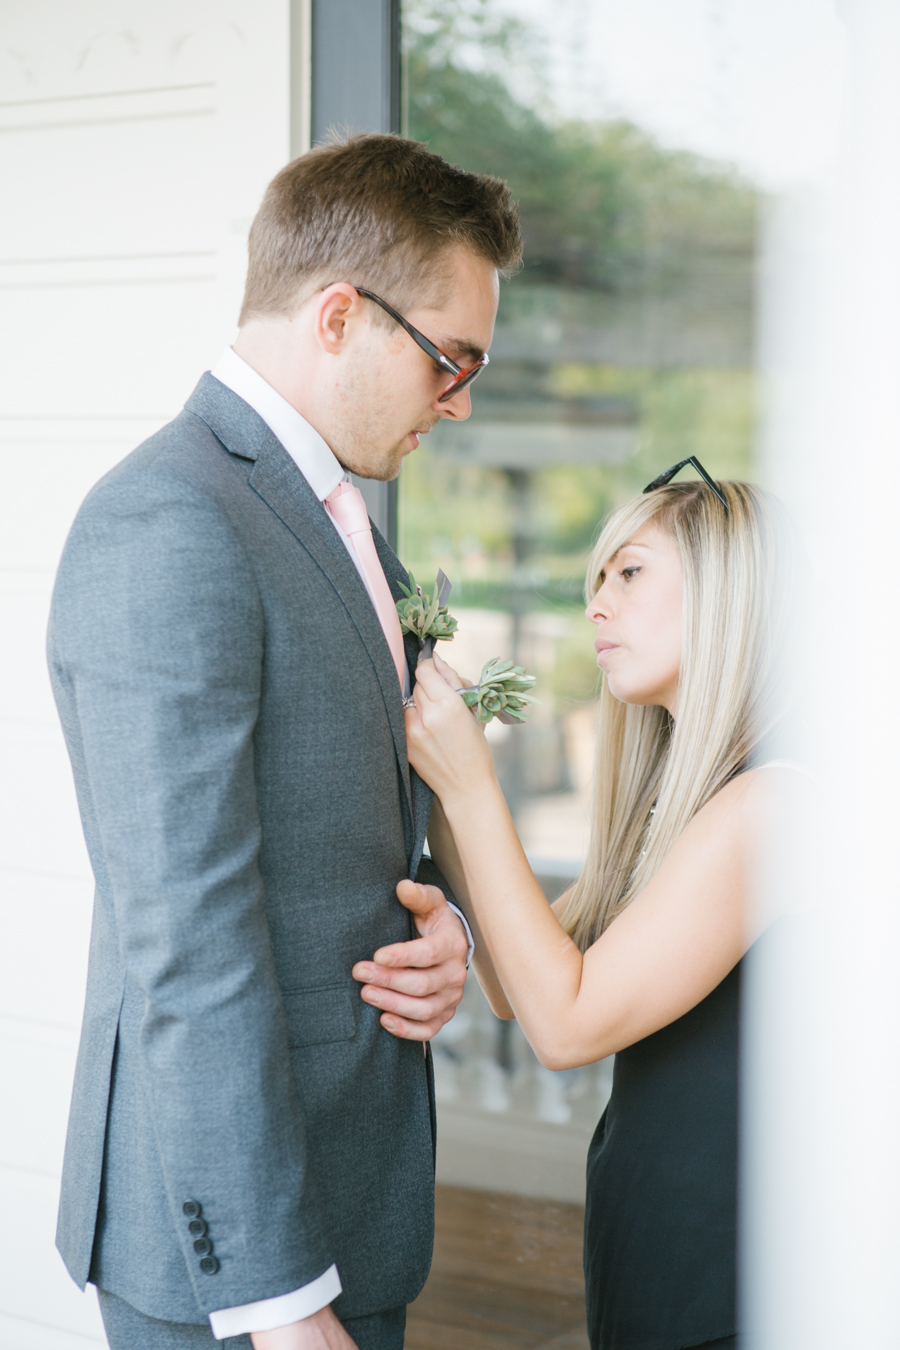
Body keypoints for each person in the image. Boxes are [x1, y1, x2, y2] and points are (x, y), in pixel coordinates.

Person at [48, 133, 522, 1350]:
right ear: (339, 315)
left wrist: (444, 937)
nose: (461, 400)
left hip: (355, 1196)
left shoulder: (339, 514)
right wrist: (280, 1300)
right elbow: (186, 935)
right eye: (450, 358)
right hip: (235, 1262)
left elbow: (353, 815)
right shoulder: (168, 522)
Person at [358, 468, 804, 1350]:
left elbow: (562, 1029)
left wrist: (473, 785)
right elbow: (516, 984)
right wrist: (445, 803)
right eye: (596, 580)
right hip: (654, 1263)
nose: (596, 605)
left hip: (737, 1288)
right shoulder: (687, 802)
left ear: (730, 591)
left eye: (629, 573)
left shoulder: (775, 804)